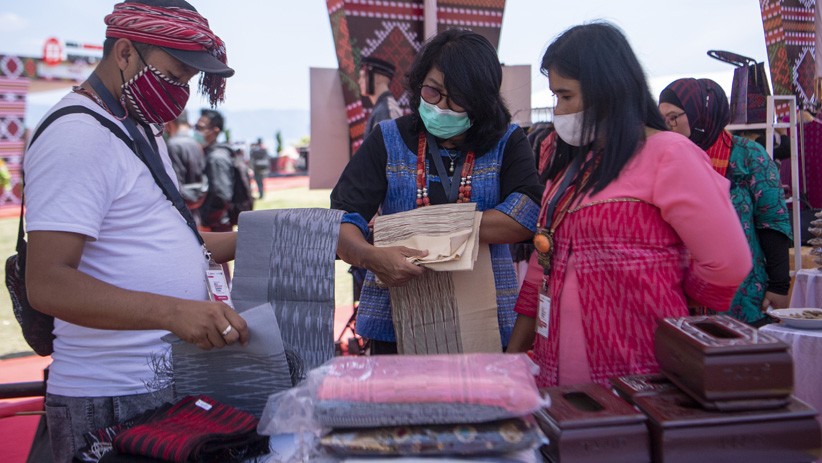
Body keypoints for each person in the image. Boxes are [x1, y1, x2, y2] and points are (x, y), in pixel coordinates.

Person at [22, 1, 247, 461]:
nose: (181, 93)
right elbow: (47, 283)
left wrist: (269, 237)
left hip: (159, 386)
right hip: (109, 398)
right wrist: (173, 312)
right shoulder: (78, 135)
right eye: (175, 75)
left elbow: (165, 239)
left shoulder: (139, 128)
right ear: (125, 53)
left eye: (188, 81)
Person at [506, 22, 751, 388]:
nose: (559, 110)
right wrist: (512, 359)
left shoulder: (669, 154)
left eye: (566, 96)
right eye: (556, 97)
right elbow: (543, 265)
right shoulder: (571, 166)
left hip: (639, 370)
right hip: (555, 372)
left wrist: (667, 292)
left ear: (607, 90)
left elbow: (727, 262)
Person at [331, 29, 543, 354]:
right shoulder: (387, 138)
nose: (441, 106)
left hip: (484, 314)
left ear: (481, 100)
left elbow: (525, 215)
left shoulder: (507, 141)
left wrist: (429, 227)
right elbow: (342, 218)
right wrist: (370, 256)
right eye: (432, 91)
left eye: (457, 98)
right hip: (396, 318)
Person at [659, 78, 792, 326]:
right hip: (677, 300)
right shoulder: (664, 159)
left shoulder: (747, 155)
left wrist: (779, 285)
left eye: (674, 117)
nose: (668, 126)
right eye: (662, 119)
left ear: (702, 115)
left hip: (743, 298)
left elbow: (772, 220)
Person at [195, 108, 235, 231]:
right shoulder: (209, 153)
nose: (196, 132)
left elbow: (221, 195)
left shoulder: (216, 157)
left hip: (216, 226)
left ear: (215, 131)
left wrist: (205, 220)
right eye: (195, 127)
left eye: (201, 128)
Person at [165, 110, 206, 223]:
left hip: (181, 212)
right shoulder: (197, 144)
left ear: (170, 122)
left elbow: (174, 183)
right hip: (197, 206)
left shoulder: (173, 145)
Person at [359, 55, 403, 138]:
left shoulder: (386, 110)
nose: (359, 81)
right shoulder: (382, 108)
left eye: (363, 76)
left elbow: (387, 145)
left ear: (378, 78)